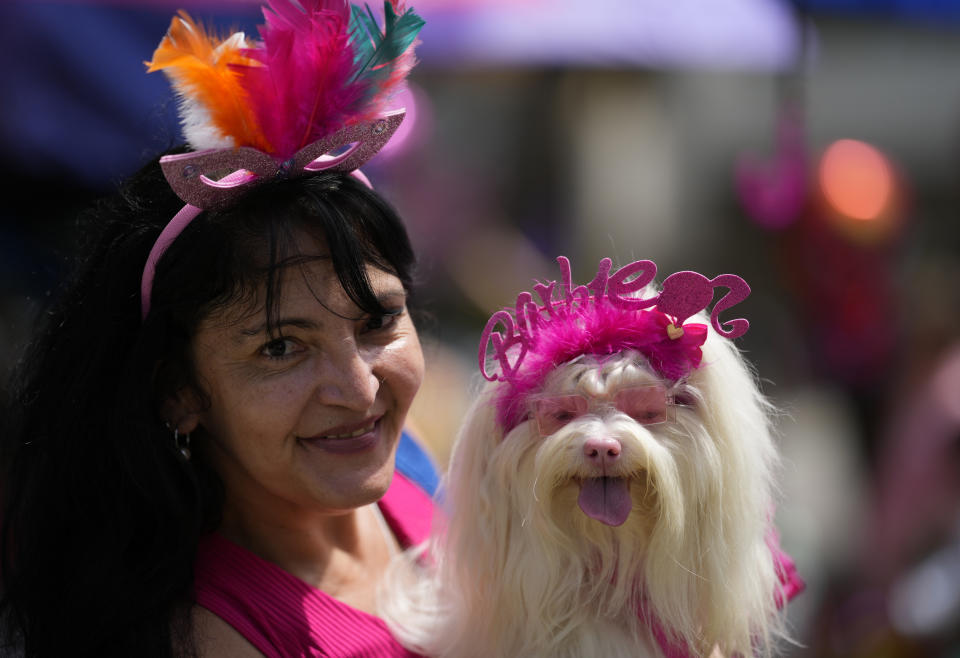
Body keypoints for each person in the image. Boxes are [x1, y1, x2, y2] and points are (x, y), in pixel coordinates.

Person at [0, 1, 434, 656]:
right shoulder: (214, 635)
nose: (357, 387)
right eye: (281, 347)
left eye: (377, 320)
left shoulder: (408, 461)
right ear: (179, 388)